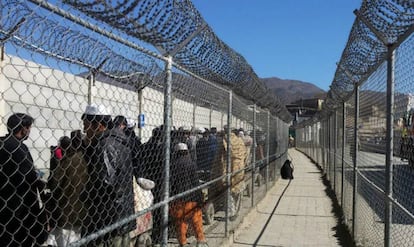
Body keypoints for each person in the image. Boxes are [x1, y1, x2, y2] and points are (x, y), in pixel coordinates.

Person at [80, 104, 135, 246]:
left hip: (107, 217)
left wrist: (85, 194)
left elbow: (105, 182)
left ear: (98, 125)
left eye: (86, 125)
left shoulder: (104, 145)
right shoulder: (120, 141)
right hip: (122, 213)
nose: (85, 130)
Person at [0, 113, 49, 246]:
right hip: (19, 210)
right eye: (29, 128)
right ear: (23, 129)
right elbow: (29, 178)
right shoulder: (19, 148)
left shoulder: (2, 143)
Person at [47, 130, 88, 246]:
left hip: (65, 210)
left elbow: (54, 183)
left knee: (64, 240)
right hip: (80, 211)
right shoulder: (87, 159)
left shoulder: (66, 162)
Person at [169, 143, 208, 247]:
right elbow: (195, 182)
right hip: (192, 198)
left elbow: (171, 183)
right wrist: (200, 197)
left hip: (178, 199)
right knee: (197, 220)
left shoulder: (173, 165)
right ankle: (200, 240)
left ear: (176, 153)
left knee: (180, 222)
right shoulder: (191, 164)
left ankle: (183, 242)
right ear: (186, 152)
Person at [139, 125, 166, 246]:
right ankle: (158, 237)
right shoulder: (163, 149)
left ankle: (149, 232)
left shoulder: (145, 146)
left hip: (147, 182)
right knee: (159, 210)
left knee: (148, 208)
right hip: (160, 183)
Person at [221, 126, 247, 221]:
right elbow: (245, 155)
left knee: (229, 191)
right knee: (239, 189)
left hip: (230, 167)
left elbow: (223, 156)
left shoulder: (225, 140)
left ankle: (230, 213)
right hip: (240, 167)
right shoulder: (240, 141)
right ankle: (237, 211)